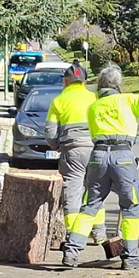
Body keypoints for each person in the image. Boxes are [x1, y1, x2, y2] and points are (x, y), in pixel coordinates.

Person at [61, 64, 139, 270]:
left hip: (98, 156)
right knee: (131, 207)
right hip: (123, 156)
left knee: (90, 205)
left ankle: (71, 252)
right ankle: (130, 257)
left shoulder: (94, 106)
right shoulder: (128, 100)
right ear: (118, 84)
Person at [44, 63, 108, 252]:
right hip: (97, 149)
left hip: (72, 150)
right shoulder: (94, 97)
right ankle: (99, 233)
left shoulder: (59, 100)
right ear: (84, 81)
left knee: (72, 192)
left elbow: (49, 130)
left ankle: (73, 235)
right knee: (96, 190)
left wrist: (56, 145)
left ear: (65, 81)